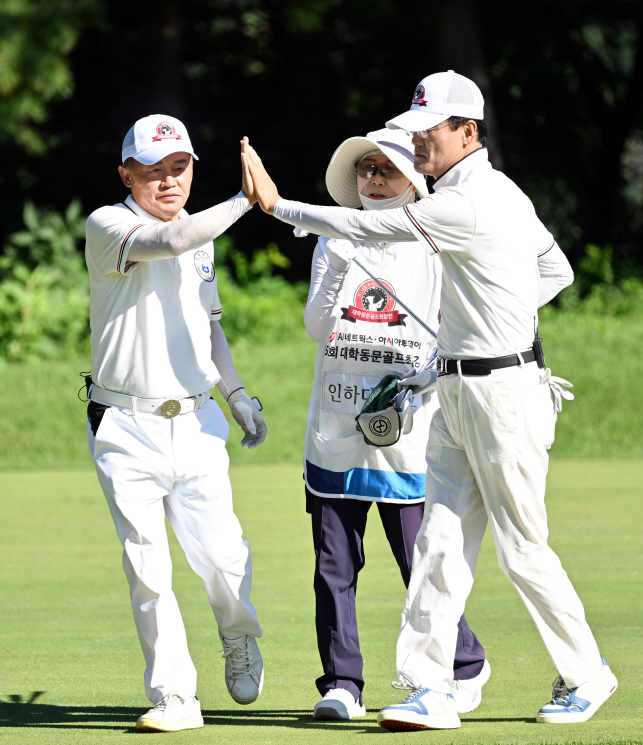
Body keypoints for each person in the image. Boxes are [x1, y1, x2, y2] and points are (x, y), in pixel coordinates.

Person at [241, 69, 617, 730]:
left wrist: (278, 207)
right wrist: (485, 324)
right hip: (455, 383)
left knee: (521, 548)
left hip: (504, 393)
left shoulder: (473, 200)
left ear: (467, 131)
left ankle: (588, 672)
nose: (417, 144)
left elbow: (374, 230)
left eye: (428, 132)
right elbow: (553, 270)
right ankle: (429, 684)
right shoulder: (500, 194)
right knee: (440, 540)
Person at [85, 114, 267, 733]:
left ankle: (238, 635)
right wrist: (247, 200)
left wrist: (237, 393)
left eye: (180, 167)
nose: (168, 180)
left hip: (196, 422)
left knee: (221, 558)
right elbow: (168, 244)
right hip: (123, 425)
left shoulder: (200, 237)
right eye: (154, 169)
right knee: (148, 569)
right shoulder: (109, 225)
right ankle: (174, 695)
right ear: (127, 173)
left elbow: (207, 323)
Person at [302, 128, 488, 721]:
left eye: (389, 169)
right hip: (335, 427)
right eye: (367, 170)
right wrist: (336, 256)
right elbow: (316, 327)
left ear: (416, 180)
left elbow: (452, 330)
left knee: (421, 559)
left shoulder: (435, 243)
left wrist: (422, 381)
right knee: (334, 564)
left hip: (410, 430)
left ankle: (462, 663)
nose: (376, 179)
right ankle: (342, 684)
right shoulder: (333, 242)